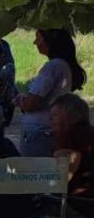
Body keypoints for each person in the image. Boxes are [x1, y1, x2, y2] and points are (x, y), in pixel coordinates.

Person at [16, 28, 88, 157]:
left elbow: (31, 104)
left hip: (39, 132)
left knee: (33, 167)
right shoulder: (63, 65)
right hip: (47, 129)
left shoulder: (53, 67)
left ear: (50, 42)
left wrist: (19, 99)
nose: (35, 43)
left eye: (39, 39)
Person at [51, 93, 94, 218]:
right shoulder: (89, 132)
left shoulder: (69, 137)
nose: (50, 120)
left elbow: (59, 178)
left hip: (82, 202)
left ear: (69, 116)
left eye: (55, 115)